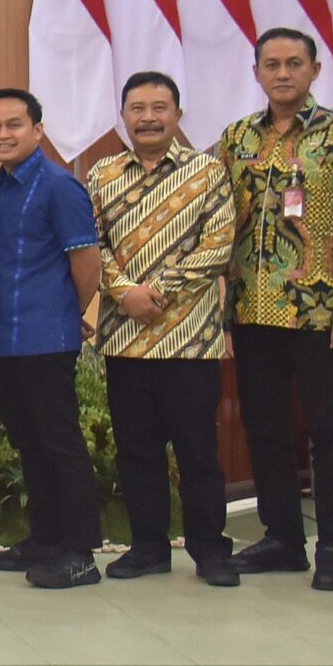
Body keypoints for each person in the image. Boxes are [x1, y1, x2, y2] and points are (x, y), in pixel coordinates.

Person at [218, 27, 333, 592]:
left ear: (315, 70)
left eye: (294, 63)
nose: (282, 73)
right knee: (264, 428)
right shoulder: (237, 139)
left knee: (328, 430)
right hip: (252, 311)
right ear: (257, 72)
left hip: (321, 312)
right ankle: (283, 538)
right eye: (272, 64)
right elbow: (220, 225)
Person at [87, 73, 239, 588]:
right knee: (137, 452)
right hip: (124, 338)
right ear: (123, 115)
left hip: (189, 340)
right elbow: (92, 245)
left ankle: (210, 550)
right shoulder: (102, 174)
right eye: (137, 108)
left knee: (198, 452)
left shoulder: (209, 171)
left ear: (177, 113)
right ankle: (148, 546)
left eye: (159, 107)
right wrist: (123, 290)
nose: (148, 117)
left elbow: (217, 246)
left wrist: (157, 292)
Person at [0, 89, 105, 589]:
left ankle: (80, 553)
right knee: (29, 445)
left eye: (14, 124)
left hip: (46, 338)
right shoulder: (0, 185)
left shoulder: (59, 186)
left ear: (38, 130)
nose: (2, 134)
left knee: (60, 445)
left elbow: (87, 263)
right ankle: (45, 540)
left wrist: (66, 313)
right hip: (3, 340)